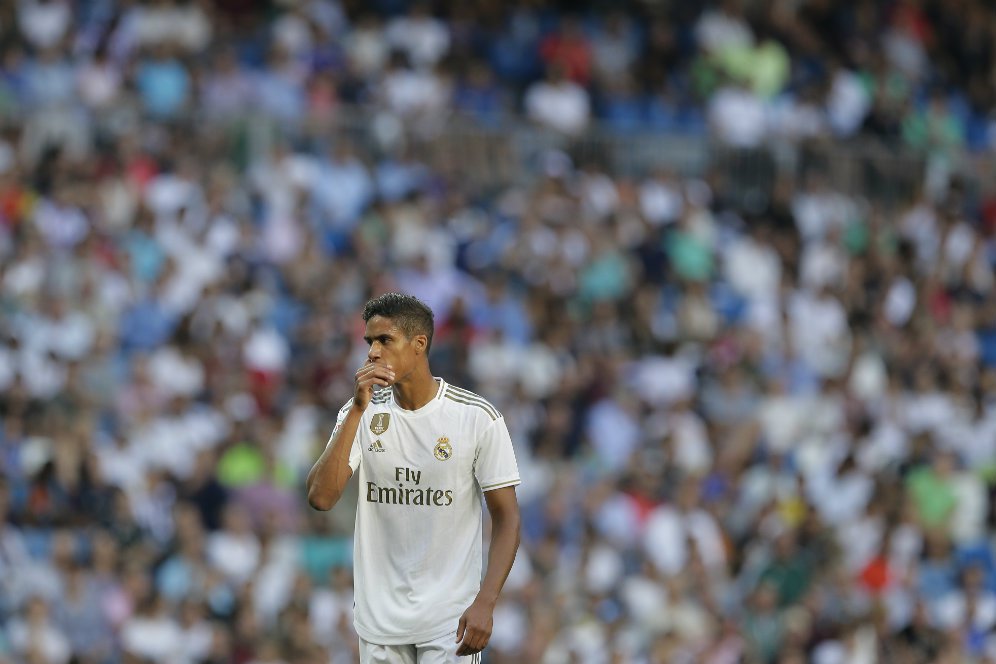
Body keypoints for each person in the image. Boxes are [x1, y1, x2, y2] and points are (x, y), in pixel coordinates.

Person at [306, 293, 521, 662]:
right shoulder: (360, 411)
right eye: (369, 342)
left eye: (384, 340)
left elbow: (508, 516)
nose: (372, 352)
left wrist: (486, 601)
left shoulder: (476, 418)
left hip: (448, 620)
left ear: (418, 344)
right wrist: (357, 410)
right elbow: (321, 498)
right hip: (378, 622)